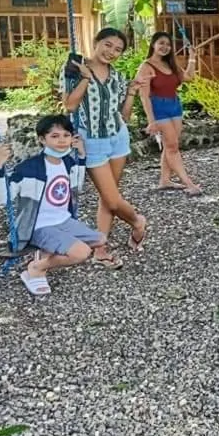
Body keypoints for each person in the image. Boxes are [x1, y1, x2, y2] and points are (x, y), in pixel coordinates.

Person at [0, 116, 106, 296]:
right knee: (81, 252)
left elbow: (77, 186)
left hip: (63, 220)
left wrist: (81, 156)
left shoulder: (68, 162)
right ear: (42, 139)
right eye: (54, 136)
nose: (61, 140)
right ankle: (36, 268)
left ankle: (47, 251)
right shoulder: (28, 169)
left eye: (66, 135)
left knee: (100, 240)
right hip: (38, 225)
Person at [60, 27, 147, 269]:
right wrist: (86, 78)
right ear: (96, 41)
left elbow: (124, 116)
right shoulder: (75, 69)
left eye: (118, 49)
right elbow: (69, 105)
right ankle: (137, 222)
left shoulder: (117, 76)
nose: (111, 52)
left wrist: (131, 93)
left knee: (107, 198)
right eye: (107, 45)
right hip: (92, 142)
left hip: (118, 138)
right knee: (111, 198)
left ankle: (100, 248)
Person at [135, 32, 201, 195]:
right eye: (161, 43)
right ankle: (188, 183)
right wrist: (151, 121)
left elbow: (189, 77)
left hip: (174, 106)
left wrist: (192, 57)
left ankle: (164, 180)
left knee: (170, 145)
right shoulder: (146, 66)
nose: (164, 47)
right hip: (158, 107)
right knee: (172, 146)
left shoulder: (171, 64)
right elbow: (144, 96)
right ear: (153, 45)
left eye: (168, 45)